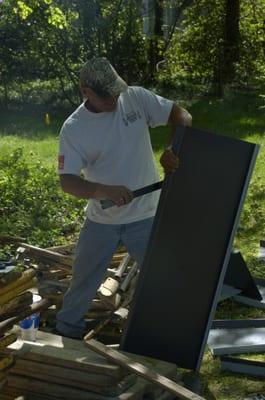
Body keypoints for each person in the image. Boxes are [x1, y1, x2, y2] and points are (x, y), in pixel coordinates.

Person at [56, 57, 192, 339]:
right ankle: (68, 336)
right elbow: (68, 182)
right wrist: (104, 190)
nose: (114, 100)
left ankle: (172, 336)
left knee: (162, 279)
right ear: (85, 91)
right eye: (107, 97)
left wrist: (171, 149)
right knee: (83, 280)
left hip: (146, 215)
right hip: (101, 220)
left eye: (117, 92)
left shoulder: (135, 98)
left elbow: (183, 116)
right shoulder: (74, 128)